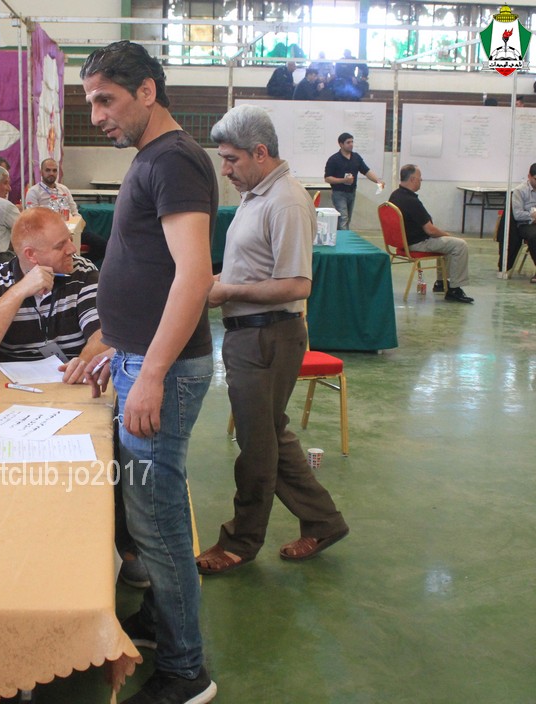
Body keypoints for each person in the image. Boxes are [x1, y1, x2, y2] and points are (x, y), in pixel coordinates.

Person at [80, 39, 218, 704]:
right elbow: (150, 268)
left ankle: (186, 672)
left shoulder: (173, 161)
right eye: (90, 102)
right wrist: (122, 349)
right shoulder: (153, 159)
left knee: (158, 524)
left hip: (164, 369)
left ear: (146, 91)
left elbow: (194, 275)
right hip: (141, 360)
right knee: (148, 515)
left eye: (106, 100)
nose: (96, 116)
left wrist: (153, 372)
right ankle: (165, 626)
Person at [196, 104, 350, 580]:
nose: (225, 169)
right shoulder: (256, 194)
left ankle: (240, 542)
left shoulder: (285, 200)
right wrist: (216, 282)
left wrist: (227, 292)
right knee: (269, 436)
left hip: (267, 337)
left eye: (231, 159)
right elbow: (252, 268)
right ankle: (323, 522)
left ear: (259, 152)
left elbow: (297, 284)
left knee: (257, 448)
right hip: (251, 335)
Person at [0, 206, 106, 381]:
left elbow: (103, 333)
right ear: (31, 255)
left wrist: (83, 362)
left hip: (70, 384)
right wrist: (19, 291)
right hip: (12, 387)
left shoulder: (83, 272)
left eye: (69, 239)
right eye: (60, 246)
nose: (72, 249)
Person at [388, 165, 474, 303]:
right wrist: (447, 235)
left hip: (403, 242)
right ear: (412, 179)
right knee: (459, 245)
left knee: (447, 244)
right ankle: (454, 289)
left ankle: (441, 283)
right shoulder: (411, 201)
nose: (421, 180)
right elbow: (430, 230)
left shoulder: (395, 195)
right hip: (417, 243)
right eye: (420, 178)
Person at [323, 132, 385, 230]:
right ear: (341, 144)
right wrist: (344, 180)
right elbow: (327, 178)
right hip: (339, 193)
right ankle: (344, 238)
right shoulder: (333, 159)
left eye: (352, 142)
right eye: (348, 142)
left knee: (347, 219)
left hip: (352, 192)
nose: (351, 144)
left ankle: (342, 236)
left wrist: (377, 180)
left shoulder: (356, 157)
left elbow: (366, 171)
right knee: (343, 218)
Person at [508, 162, 536, 280]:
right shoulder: (520, 191)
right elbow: (517, 215)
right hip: (526, 224)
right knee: (534, 236)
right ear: (529, 176)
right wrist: (532, 216)